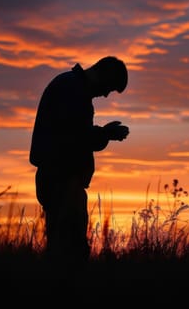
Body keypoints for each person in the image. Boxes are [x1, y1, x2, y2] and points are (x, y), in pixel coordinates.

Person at [29, 56, 129, 268]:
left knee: (63, 246)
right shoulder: (71, 90)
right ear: (102, 74)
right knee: (69, 249)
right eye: (108, 88)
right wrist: (105, 134)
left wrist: (103, 134)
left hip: (61, 179)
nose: (105, 94)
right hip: (61, 180)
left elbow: (75, 135)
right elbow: (74, 137)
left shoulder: (72, 88)